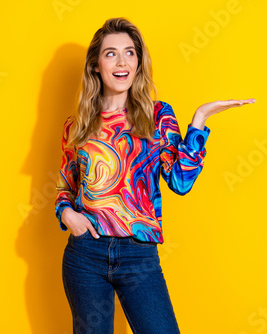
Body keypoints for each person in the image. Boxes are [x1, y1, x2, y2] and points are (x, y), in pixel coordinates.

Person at [54, 17, 256, 334]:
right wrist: (67, 213)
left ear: (138, 61)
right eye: (110, 54)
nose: (121, 62)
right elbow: (66, 186)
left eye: (129, 52)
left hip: (139, 255)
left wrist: (199, 121)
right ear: (95, 65)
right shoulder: (77, 125)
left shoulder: (157, 115)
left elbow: (180, 181)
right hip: (85, 256)